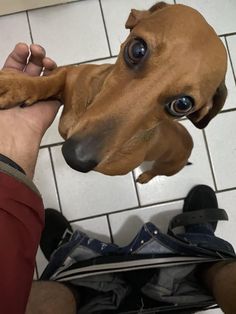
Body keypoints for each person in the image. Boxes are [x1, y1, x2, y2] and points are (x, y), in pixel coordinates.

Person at [0, 43, 235, 314]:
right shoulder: (94, 75)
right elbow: (66, 77)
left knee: (162, 165)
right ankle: (204, 249)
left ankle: (71, 260)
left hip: (167, 157)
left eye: (181, 103)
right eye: (138, 52)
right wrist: (35, 90)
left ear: (203, 110)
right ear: (133, 23)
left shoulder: (127, 158)